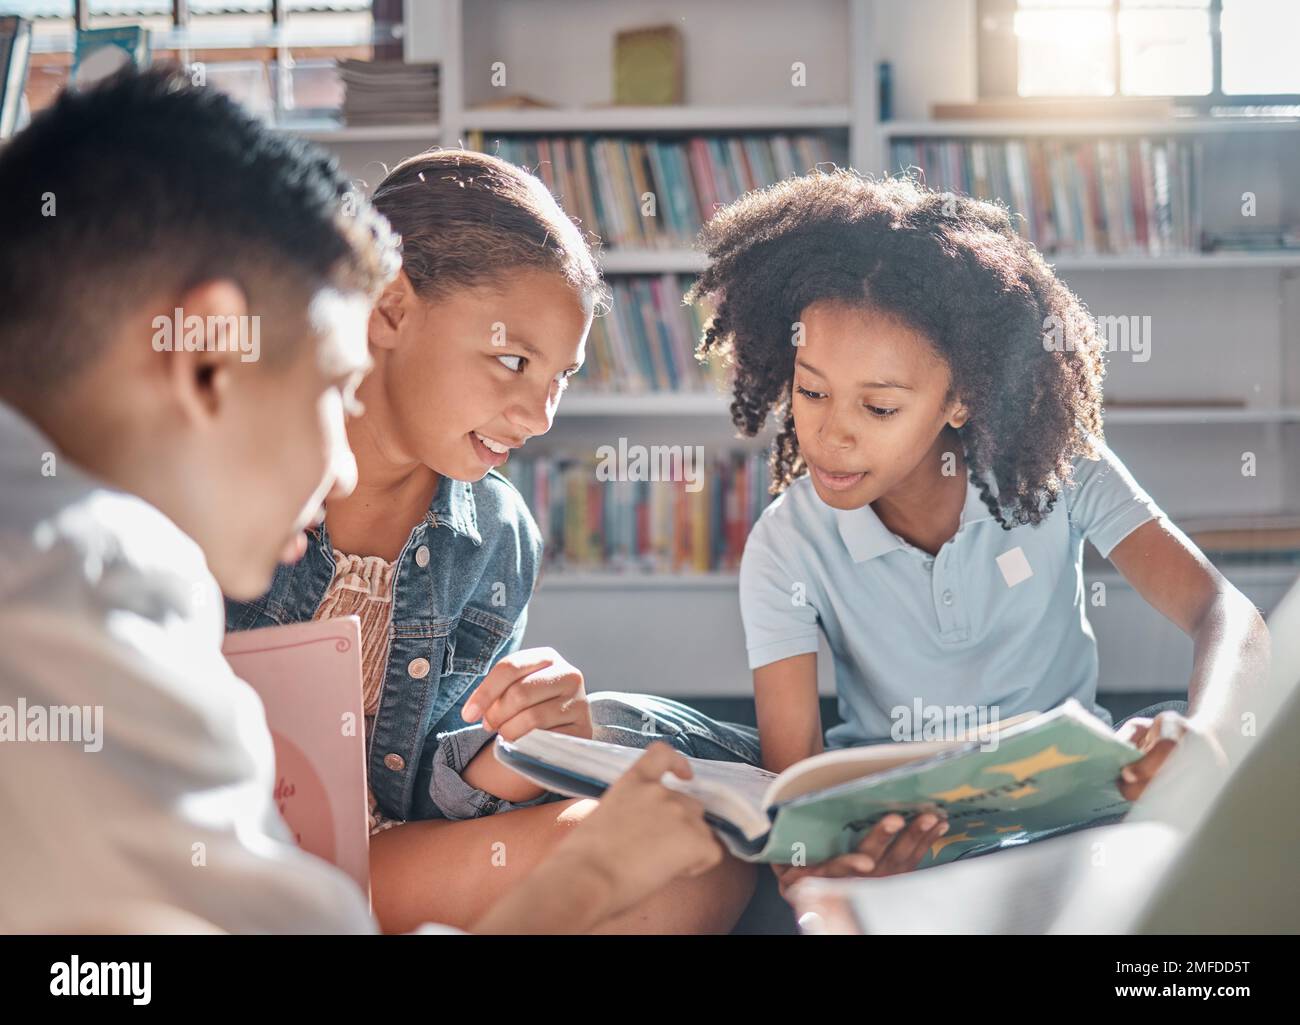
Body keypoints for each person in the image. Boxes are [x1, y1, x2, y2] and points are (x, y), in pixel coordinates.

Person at [0, 66, 724, 935]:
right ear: (207, 357)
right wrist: (585, 877)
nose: (340, 470)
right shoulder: (95, 584)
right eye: (335, 385)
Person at [687, 170, 1270, 899]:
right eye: (811, 391)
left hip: (1072, 810)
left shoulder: (1058, 468)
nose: (830, 434)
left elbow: (1224, 612)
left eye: (879, 407)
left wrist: (1210, 732)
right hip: (901, 827)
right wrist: (819, 857)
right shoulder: (786, 545)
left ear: (960, 398)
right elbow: (794, 789)